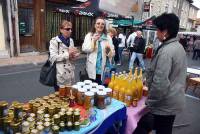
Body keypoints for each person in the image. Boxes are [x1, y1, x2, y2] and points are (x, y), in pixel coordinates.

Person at [133, 13, 187, 134]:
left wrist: (149, 102)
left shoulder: (166, 52)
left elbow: (160, 83)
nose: (156, 32)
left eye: (158, 29)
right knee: (165, 129)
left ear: (165, 32)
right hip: (173, 101)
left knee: (142, 126)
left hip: (164, 104)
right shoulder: (178, 46)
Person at [82, 17, 115, 85]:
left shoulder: (108, 38)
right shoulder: (89, 36)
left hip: (103, 69)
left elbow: (112, 54)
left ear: (104, 26)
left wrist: (108, 50)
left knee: (101, 89)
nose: (100, 25)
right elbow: (85, 49)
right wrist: (93, 41)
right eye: (98, 23)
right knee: (91, 89)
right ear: (94, 25)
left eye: (102, 24)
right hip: (92, 68)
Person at [49, 20, 80, 91]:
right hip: (60, 74)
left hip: (70, 73)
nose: (70, 31)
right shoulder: (54, 41)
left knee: (70, 96)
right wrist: (68, 54)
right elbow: (53, 57)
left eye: (71, 29)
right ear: (61, 30)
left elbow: (70, 57)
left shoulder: (71, 40)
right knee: (61, 97)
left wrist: (74, 56)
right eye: (67, 29)